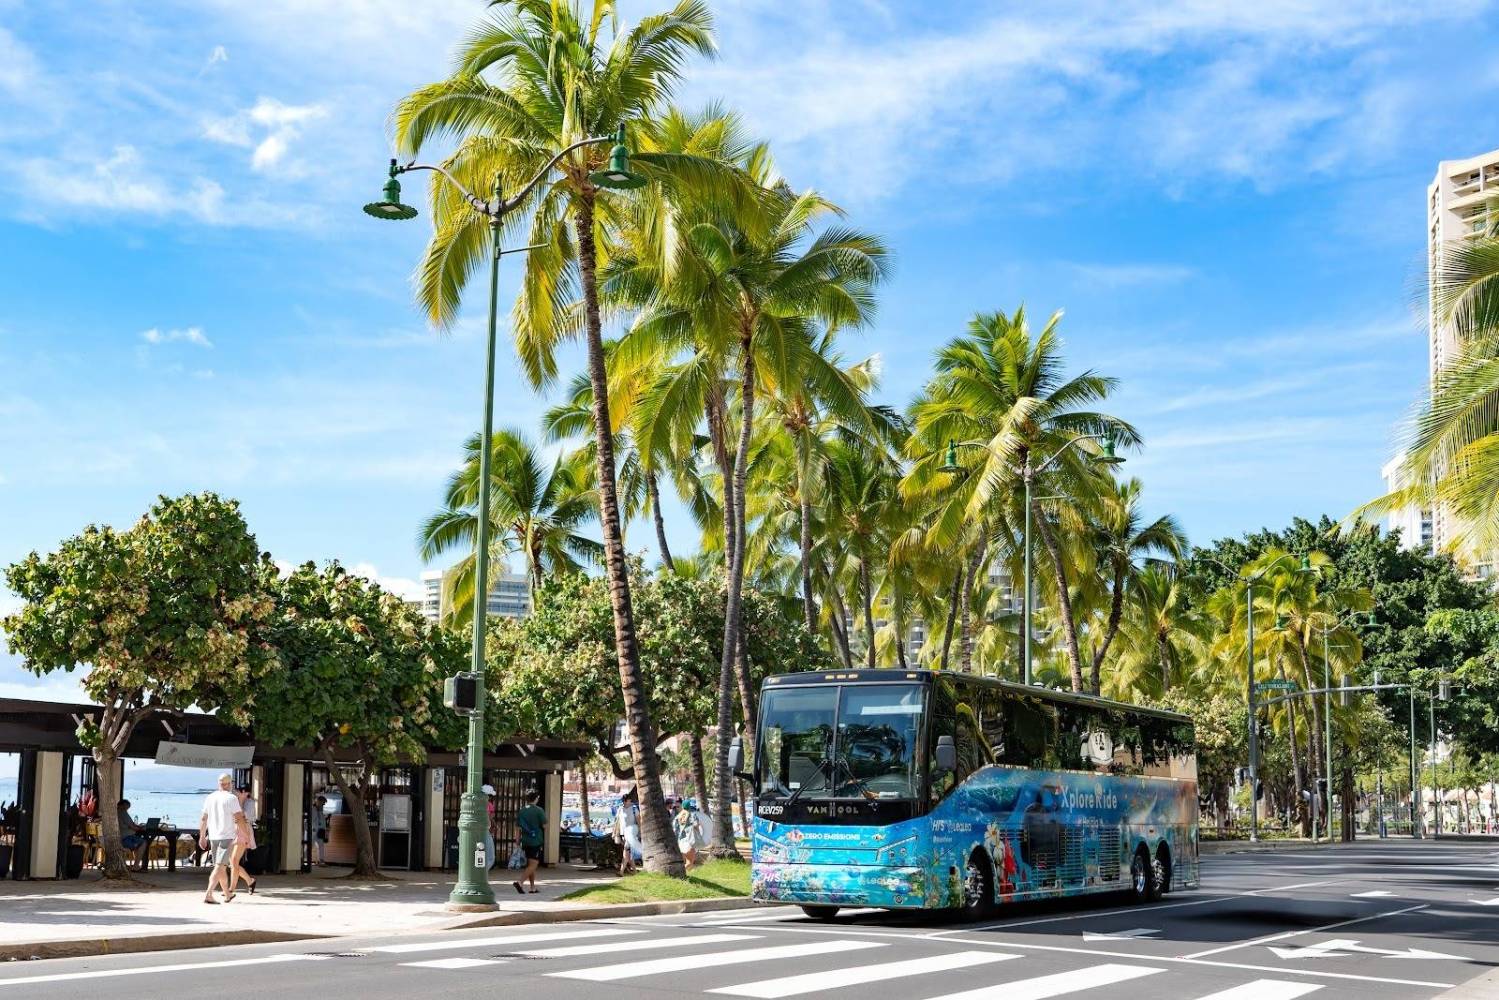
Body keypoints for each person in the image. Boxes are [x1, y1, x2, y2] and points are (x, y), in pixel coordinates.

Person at [198, 773, 250, 904]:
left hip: (213, 837)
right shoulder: (231, 798)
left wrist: (202, 836)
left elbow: (204, 818)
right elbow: (239, 818)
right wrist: (246, 835)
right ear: (229, 784)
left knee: (220, 866)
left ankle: (227, 894)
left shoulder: (210, 798)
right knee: (220, 867)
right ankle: (209, 894)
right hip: (226, 837)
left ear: (219, 784)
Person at [513, 789, 546, 895]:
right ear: (536, 798)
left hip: (525, 840)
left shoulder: (522, 811)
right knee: (534, 864)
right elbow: (545, 825)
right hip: (536, 840)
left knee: (530, 864)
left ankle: (532, 887)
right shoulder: (539, 810)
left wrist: (517, 841)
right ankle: (520, 882)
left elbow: (517, 828)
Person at [228, 786, 258, 895]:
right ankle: (249, 881)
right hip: (234, 831)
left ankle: (231, 889)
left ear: (244, 792)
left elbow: (243, 816)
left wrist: (240, 801)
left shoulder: (249, 803)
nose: (236, 794)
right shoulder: (237, 801)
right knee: (232, 862)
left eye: (238, 792)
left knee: (235, 860)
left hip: (243, 831)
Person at [117, 799, 147, 871]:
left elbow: (131, 824)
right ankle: (136, 866)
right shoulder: (123, 813)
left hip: (123, 837)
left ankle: (135, 865)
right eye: (127, 806)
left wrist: (138, 827)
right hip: (126, 838)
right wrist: (140, 829)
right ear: (123, 805)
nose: (127, 808)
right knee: (143, 843)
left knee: (139, 843)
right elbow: (132, 826)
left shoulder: (117, 812)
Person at [673, 800, 699, 867]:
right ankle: (681, 875)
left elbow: (674, 830)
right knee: (690, 863)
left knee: (683, 863)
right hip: (690, 842)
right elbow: (696, 826)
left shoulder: (678, 816)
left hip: (680, 842)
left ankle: (683, 875)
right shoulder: (692, 815)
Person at [481, 783, 497, 871]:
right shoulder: (487, 805)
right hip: (485, 831)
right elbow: (489, 817)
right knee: (490, 856)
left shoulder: (475, 804)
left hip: (479, 831)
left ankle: (480, 870)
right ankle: (482, 872)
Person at [309, 795, 328, 866]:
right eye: (322, 803)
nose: (323, 805)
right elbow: (311, 820)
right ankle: (304, 859)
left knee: (321, 845)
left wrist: (325, 829)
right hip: (313, 830)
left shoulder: (320, 810)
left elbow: (322, 821)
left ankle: (321, 860)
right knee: (310, 845)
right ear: (318, 801)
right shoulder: (313, 809)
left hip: (320, 830)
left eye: (323, 804)